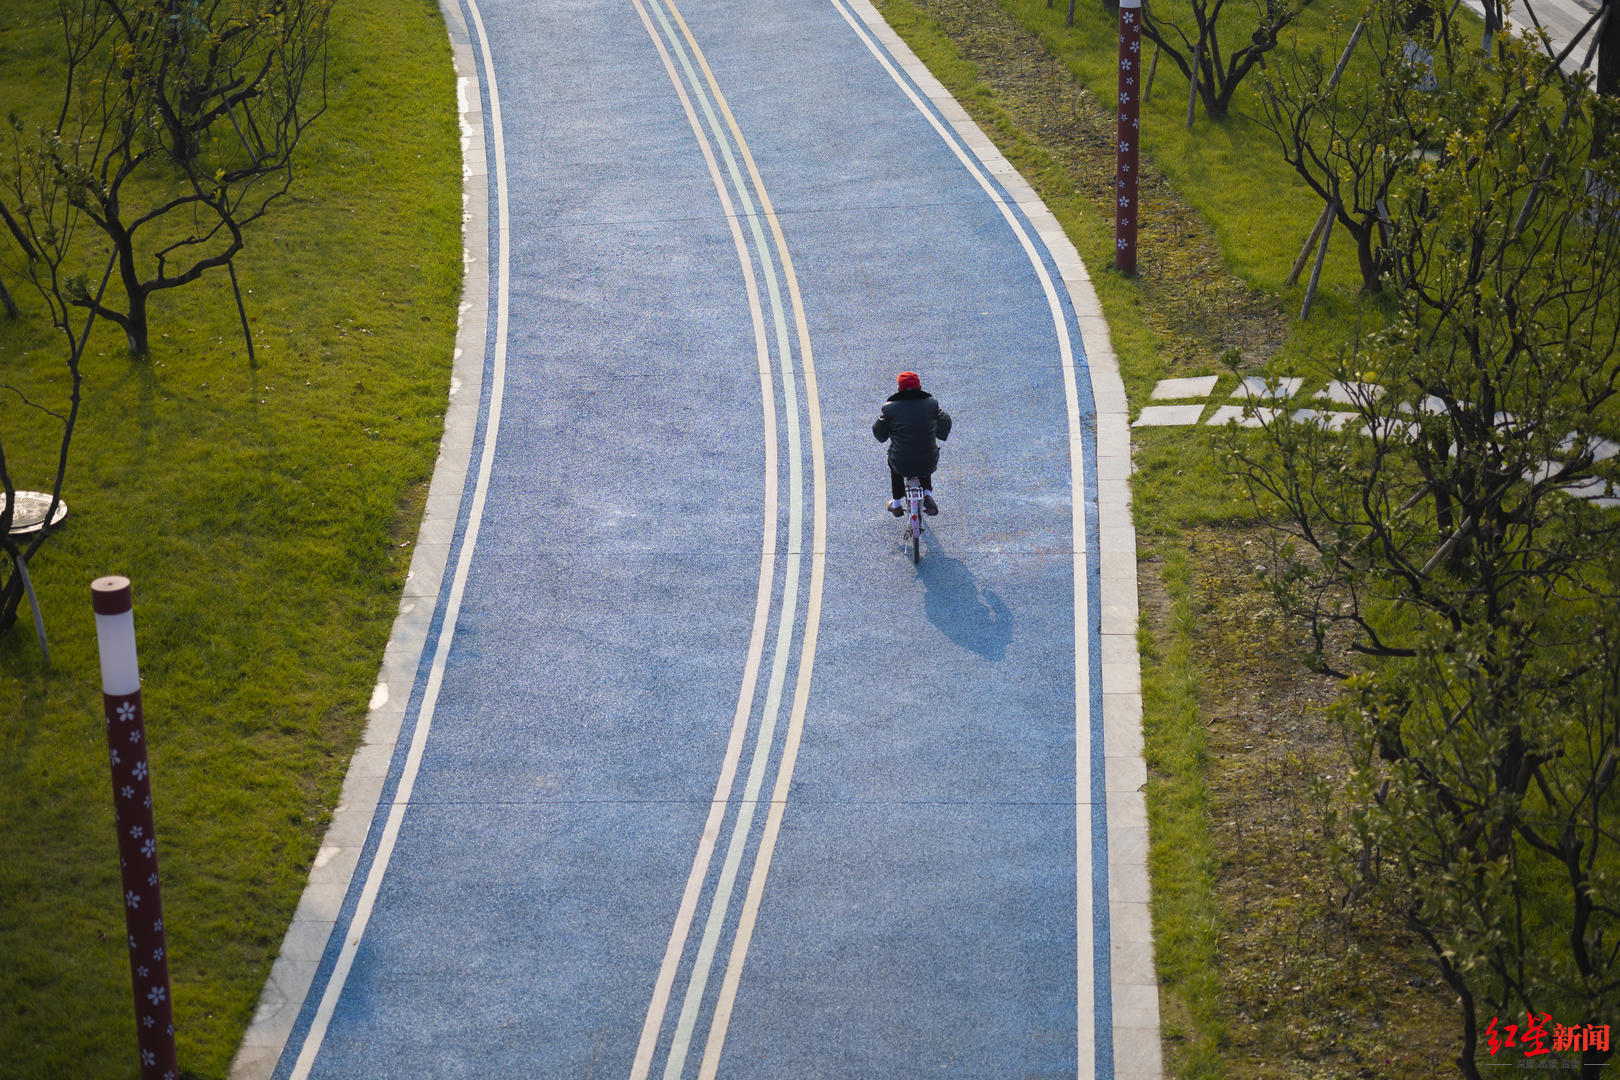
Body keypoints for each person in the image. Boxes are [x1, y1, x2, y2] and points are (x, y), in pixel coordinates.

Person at [872, 370, 952, 517]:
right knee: (926, 448)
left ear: (899, 389)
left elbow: (878, 430)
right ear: (920, 386)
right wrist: (939, 434)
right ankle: (927, 494)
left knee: (893, 460)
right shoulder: (932, 404)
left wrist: (885, 435)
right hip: (928, 460)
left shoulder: (889, 408)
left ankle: (896, 504)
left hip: (901, 461)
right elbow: (945, 420)